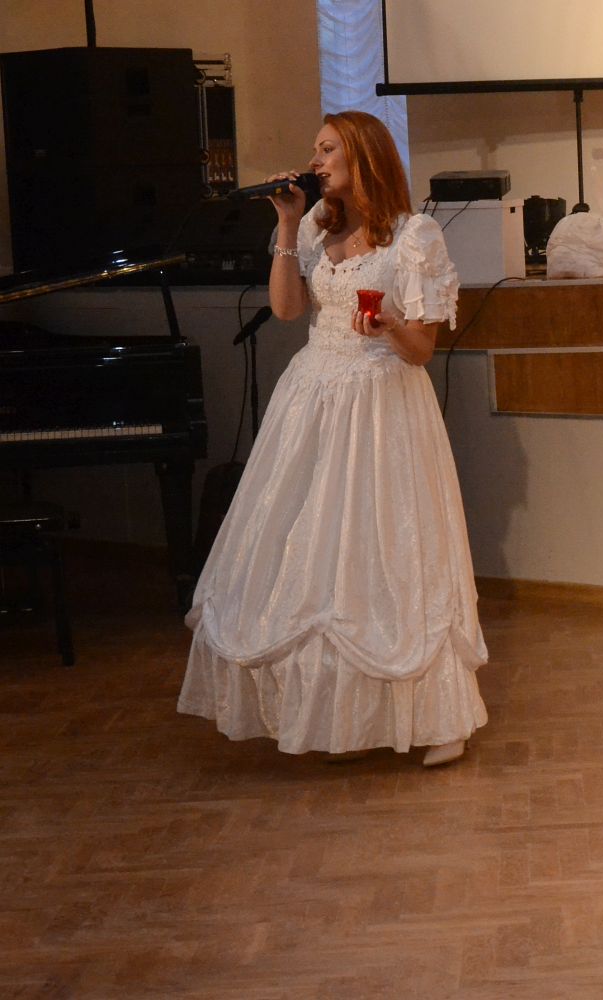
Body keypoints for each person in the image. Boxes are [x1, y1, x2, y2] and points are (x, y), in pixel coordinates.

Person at [178, 111, 489, 766]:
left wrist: (389, 326)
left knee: (389, 550)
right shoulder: (319, 226)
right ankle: (336, 716)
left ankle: (440, 718)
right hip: (313, 396)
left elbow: (422, 351)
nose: (314, 161)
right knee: (315, 552)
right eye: (315, 150)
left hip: (382, 404)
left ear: (362, 155)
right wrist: (288, 225)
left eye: (326, 150)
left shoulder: (414, 235)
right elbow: (288, 309)